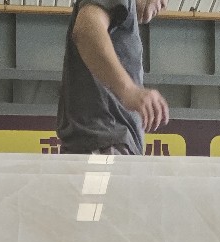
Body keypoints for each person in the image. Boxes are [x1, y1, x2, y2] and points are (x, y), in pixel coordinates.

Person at [56, 0, 170, 156]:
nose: (164, 4)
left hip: (104, 144)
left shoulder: (125, 20)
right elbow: (86, 28)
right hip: (105, 145)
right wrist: (128, 90)